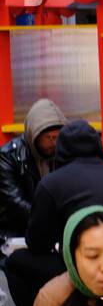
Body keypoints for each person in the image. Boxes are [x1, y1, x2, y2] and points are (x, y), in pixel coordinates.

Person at [5, 121, 103, 306]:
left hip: (90, 268)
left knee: (15, 262)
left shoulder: (52, 183)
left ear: (61, 151)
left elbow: (37, 243)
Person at [0, 98, 65, 235]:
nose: (54, 143)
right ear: (34, 134)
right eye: (49, 138)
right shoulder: (8, 156)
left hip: (54, 231)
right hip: (16, 233)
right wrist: (50, 220)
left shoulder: (64, 153)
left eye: (58, 137)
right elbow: (14, 203)